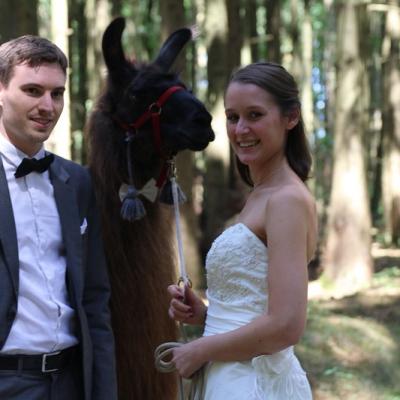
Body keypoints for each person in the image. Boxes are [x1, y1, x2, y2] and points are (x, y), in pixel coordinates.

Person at [168, 62, 317, 399]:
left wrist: (200, 350)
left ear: (290, 117)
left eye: (254, 115)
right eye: (233, 117)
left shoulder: (286, 199)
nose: (240, 130)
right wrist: (205, 315)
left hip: (253, 384)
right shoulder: (260, 195)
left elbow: (286, 325)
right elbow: (255, 308)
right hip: (229, 377)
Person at [0, 35, 117, 400]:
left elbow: (95, 299)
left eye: (57, 93)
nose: (47, 106)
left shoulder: (77, 182)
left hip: (71, 382)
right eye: (33, 90)